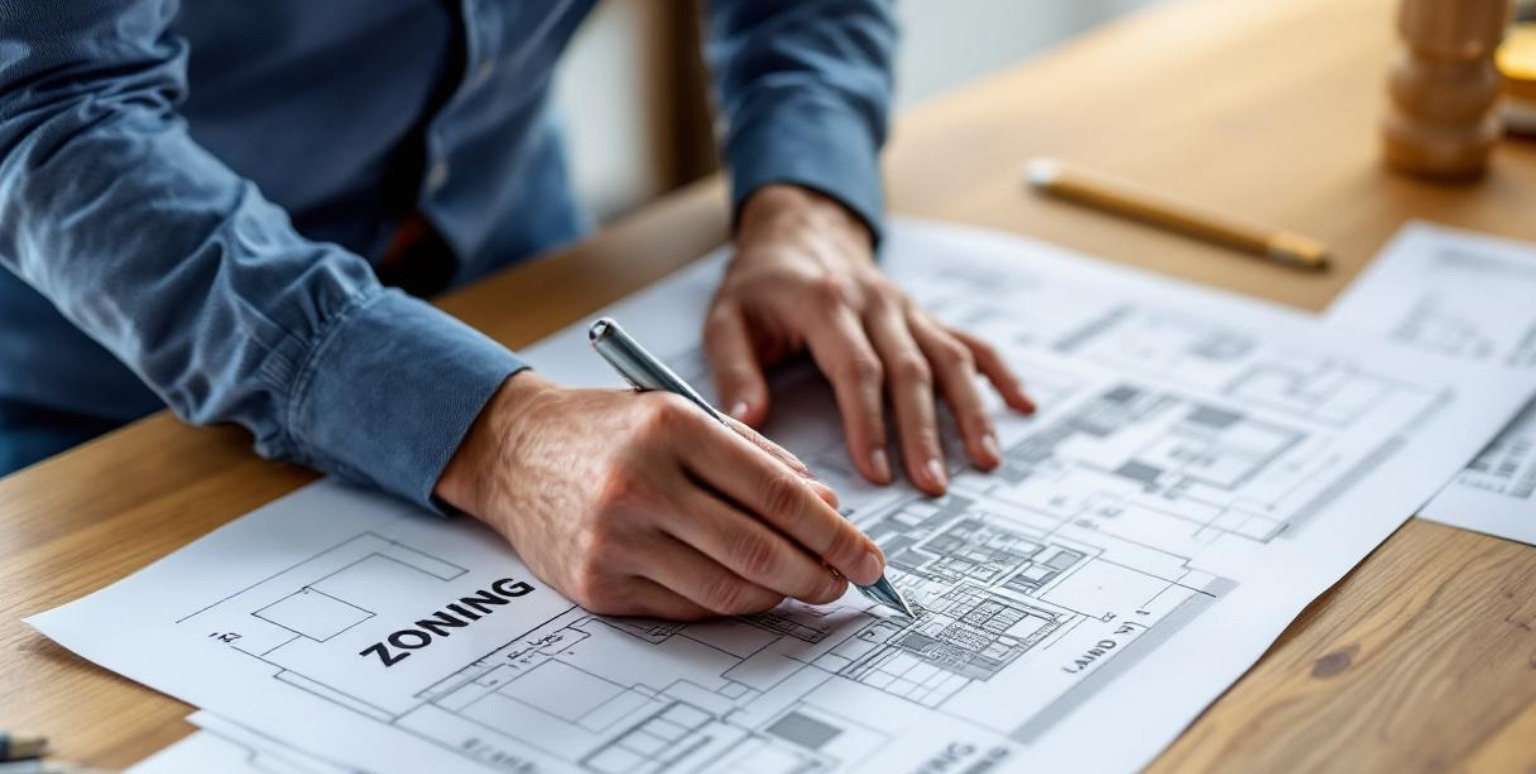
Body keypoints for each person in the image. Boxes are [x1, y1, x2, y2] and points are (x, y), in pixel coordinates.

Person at [0, 1, 1033, 620]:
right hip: (92, 408)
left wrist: (805, 202)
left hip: (522, 279)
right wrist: (491, 436)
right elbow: (48, 111)